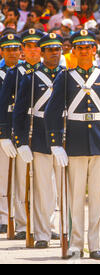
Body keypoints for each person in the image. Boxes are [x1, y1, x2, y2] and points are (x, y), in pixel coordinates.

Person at [44, 29, 100, 260]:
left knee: (98, 196)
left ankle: (97, 245)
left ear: (94, 49)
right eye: (80, 47)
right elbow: (52, 112)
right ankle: (75, 244)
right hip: (74, 144)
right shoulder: (65, 77)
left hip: (98, 143)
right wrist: (56, 143)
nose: (85, 51)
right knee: (75, 197)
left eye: (88, 47)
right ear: (74, 51)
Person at [13, 32, 65, 248]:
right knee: (42, 188)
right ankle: (42, 233)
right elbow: (20, 111)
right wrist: (21, 140)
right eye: (50, 49)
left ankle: (60, 230)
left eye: (58, 49)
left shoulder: (67, 75)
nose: (54, 53)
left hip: (65, 137)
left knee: (64, 189)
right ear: (42, 53)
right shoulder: (31, 77)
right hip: (40, 136)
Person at [0, 29, 44, 241]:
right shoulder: (15, 73)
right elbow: (4, 105)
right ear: (24, 50)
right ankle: (22, 223)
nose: (33, 49)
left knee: (45, 181)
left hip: (42, 131)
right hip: (20, 131)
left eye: (37, 45)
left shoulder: (53, 71)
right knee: (19, 179)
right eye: (29, 46)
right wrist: (5, 134)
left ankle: (44, 223)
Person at [0, 33, 21, 235]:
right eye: (8, 49)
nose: (13, 53)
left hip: (22, 126)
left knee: (22, 177)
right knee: (2, 175)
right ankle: (4, 217)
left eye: (15, 49)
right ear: (2, 51)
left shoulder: (26, 71)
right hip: (3, 127)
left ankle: (21, 217)